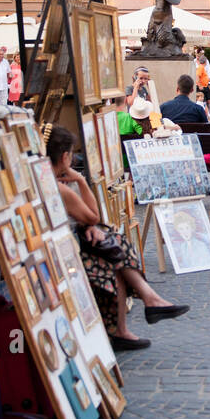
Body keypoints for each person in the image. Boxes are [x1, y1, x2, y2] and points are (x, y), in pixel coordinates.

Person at [48, 127, 187, 351]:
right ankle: (144, 305)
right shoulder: (60, 188)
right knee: (113, 254)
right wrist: (81, 182)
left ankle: (144, 307)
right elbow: (94, 215)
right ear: (64, 157)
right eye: (71, 154)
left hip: (70, 242)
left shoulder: (50, 182)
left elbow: (90, 218)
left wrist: (90, 224)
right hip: (67, 251)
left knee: (114, 246)